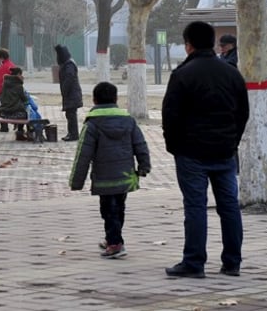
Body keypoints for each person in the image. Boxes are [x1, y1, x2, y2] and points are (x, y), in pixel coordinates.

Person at [162, 21, 250, 279]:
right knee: (229, 207)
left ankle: (194, 262)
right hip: (224, 151)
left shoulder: (182, 75)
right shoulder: (232, 73)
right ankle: (232, 262)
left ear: (188, 44)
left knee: (195, 207)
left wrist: (174, 146)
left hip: (191, 153)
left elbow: (171, 116)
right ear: (213, 42)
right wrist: (232, 142)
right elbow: (243, 113)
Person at [69, 81, 151, 259]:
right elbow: (140, 144)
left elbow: (83, 154)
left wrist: (76, 181)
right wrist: (144, 166)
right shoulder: (129, 121)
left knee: (108, 210)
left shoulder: (92, 125)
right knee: (119, 208)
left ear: (95, 100)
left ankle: (115, 244)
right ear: (115, 99)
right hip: (126, 177)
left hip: (104, 179)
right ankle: (113, 239)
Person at [55, 44, 84, 141]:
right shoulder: (67, 63)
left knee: (71, 115)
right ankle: (71, 133)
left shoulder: (69, 65)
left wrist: (64, 90)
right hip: (70, 94)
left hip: (72, 94)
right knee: (69, 114)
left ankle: (73, 134)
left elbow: (69, 78)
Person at [0, 66, 31, 141]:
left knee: (21, 111)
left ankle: (21, 133)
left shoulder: (4, 84)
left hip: (3, 113)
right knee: (27, 115)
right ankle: (22, 133)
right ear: (18, 74)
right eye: (21, 75)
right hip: (14, 114)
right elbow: (25, 99)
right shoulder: (18, 86)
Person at [0, 48, 16, 133]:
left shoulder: (4, 68)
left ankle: (4, 126)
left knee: (2, 109)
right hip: (11, 92)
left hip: (5, 93)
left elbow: (0, 82)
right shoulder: (11, 65)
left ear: (1, 57)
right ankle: (5, 126)